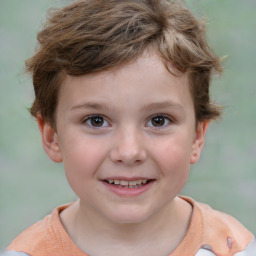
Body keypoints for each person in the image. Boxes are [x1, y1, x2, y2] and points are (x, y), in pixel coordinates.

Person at [3, 0, 255, 255]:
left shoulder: (235, 248)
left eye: (158, 120)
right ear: (51, 137)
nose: (129, 152)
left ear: (197, 137)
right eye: (96, 120)